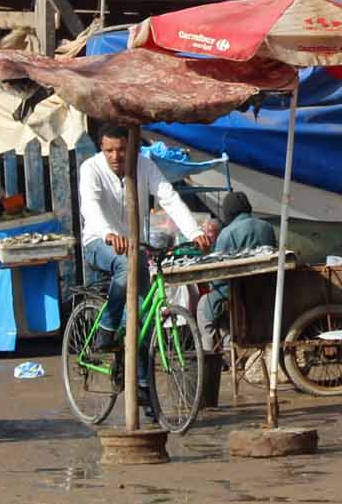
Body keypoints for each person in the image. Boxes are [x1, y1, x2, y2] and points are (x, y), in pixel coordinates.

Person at [75, 129, 212, 353]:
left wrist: (194, 232)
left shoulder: (144, 165)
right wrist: (108, 233)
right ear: (101, 148)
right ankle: (107, 328)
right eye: (109, 150)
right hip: (99, 242)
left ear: (132, 147)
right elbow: (91, 206)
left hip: (134, 246)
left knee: (143, 317)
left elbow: (169, 198)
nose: (115, 157)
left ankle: (142, 384)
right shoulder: (91, 168)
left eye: (121, 150)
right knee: (125, 262)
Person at [199, 191, 278, 333]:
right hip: (267, 291)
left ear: (228, 211)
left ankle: (211, 351)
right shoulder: (267, 227)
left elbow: (218, 275)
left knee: (203, 306)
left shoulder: (227, 233)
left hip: (239, 295)